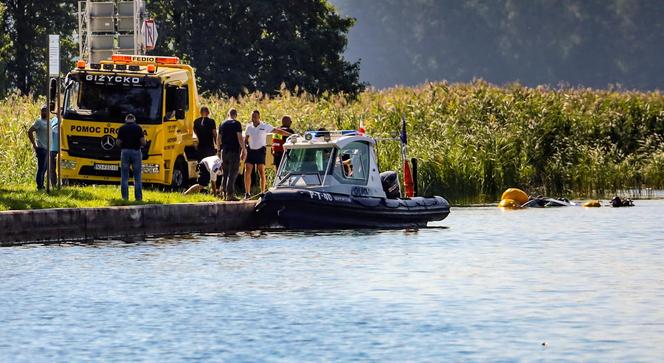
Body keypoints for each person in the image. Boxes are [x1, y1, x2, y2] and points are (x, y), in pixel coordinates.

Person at [243, 110, 292, 199]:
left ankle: (262, 192)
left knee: (261, 171)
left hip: (260, 150)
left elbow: (278, 131)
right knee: (247, 171)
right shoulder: (249, 127)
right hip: (251, 150)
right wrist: (244, 149)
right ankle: (247, 192)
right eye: (252, 117)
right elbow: (246, 138)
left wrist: (291, 134)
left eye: (255, 117)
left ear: (259, 117)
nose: (253, 118)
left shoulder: (265, 126)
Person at [217, 108, 246, 201]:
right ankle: (230, 194)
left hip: (224, 151)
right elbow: (240, 138)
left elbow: (218, 138)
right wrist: (244, 149)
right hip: (233, 151)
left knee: (225, 173)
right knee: (233, 172)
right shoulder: (236, 124)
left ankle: (223, 193)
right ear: (235, 115)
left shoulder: (222, 124)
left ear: (228, 114)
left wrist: (218, 150)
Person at [27, 106, 58, 190]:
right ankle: (40, 187)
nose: (43, 112)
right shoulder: (39, 122)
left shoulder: (50, 122)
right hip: (41, 148)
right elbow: (30, 131)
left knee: (45, 168)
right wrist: (34, 144)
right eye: (42, 111)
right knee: (41, 168)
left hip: (49, 149)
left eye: (45, 111)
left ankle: (42, 185)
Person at [117, 114, 145, 201]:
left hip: (125, 152)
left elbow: (118, 142)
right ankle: (138, 198)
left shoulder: (122, 128)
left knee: (124, 176)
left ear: (126, 120)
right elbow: (143, 142)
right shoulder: (138, 128)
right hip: (136, 152)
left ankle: (125, 198)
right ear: (134, 120)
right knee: (137, 177)